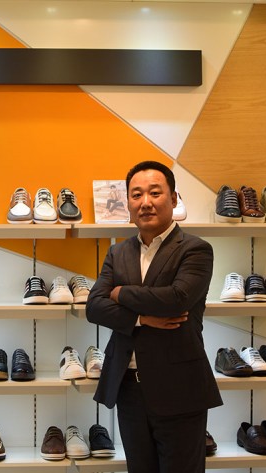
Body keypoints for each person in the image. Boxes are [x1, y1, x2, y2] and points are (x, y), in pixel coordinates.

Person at [86, 160, 222, 473]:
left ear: (173, 199)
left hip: (180, 390)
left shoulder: (196, 249)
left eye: (155, 193)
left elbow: (177, 299)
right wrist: (142, 319)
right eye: (136, 195)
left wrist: (120, 292)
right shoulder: (118, 252)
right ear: (128, 203)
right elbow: (94, 306)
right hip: (128, 388)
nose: (145, 202)